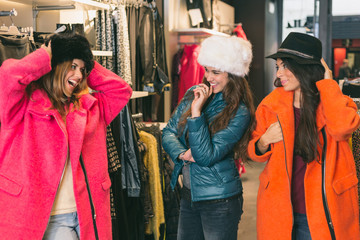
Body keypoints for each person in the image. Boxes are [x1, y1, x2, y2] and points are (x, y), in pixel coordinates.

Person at [0, 33, 132, 239]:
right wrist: (47, 55)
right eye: (72, 66)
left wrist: (83, 57)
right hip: (47, 217)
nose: (79, 75)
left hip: (88, 214)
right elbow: (8, 74)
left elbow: (121, 90)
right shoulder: (23, 105)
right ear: (55, 65)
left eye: (82, 70)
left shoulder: (90, 107)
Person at [247, 32, 360, 240]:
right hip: (280, 210)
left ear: (304, 68)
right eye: (278, 67)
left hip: (323, 211)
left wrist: (328, 84)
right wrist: (264, 141)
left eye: (285, 66)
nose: (279, 73)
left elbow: (342, 128)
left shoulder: (335, 101)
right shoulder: (271, 105)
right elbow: (253, 151)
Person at [162, 35, 255, 240]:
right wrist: (182, 154)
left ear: (232, 74)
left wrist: (196, 113)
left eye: (216, 72)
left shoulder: (240, 111)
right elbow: (168, 132)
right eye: (206, 70)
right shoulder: (194, 93)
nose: (208, 77)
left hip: (220, 200)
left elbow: (205, 156)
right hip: (188, 194)